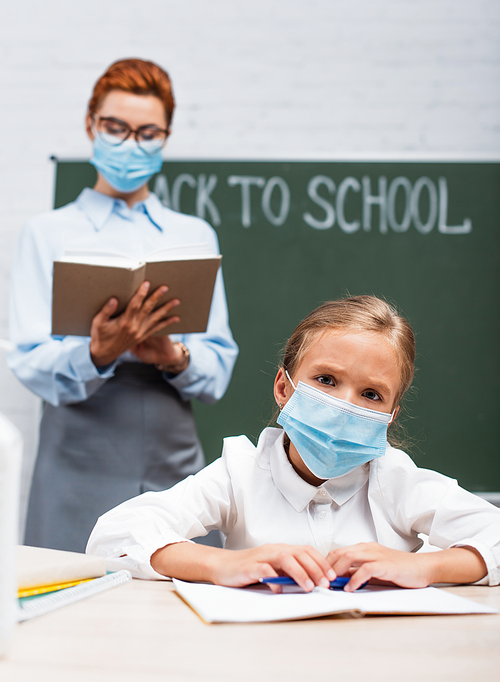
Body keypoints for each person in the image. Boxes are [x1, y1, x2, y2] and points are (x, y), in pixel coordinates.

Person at [86, 295, 500, 590]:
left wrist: (425, 567)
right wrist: (222, 563)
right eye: (326, 380)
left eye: (371, 394)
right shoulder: (240, 473)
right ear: (283, 388)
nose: (344, 405)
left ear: (390, 416)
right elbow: (115, 535)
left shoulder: (398, 481)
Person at [9, 58, 238, 553]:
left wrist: (174, 357)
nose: (130, 143)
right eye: (116, 127)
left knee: (180, 606)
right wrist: (97, 353)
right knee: (63, 608)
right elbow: (28, 358)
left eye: (147, 132)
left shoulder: (193, 236)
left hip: (173, 467)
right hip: (74, 465)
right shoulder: (46, 234)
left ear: (165, 138)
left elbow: (218, 371)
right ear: (91, 124)